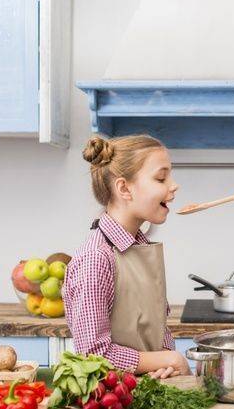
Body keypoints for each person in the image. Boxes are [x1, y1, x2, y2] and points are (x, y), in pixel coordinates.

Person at [63, 135, 190, 378]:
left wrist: (163, 362)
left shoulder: (139, 248)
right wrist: (170, 358)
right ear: (124, 188)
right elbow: (93, 355)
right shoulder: (95, 260)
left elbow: (153, 330)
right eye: (161, 178)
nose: (173, 185)